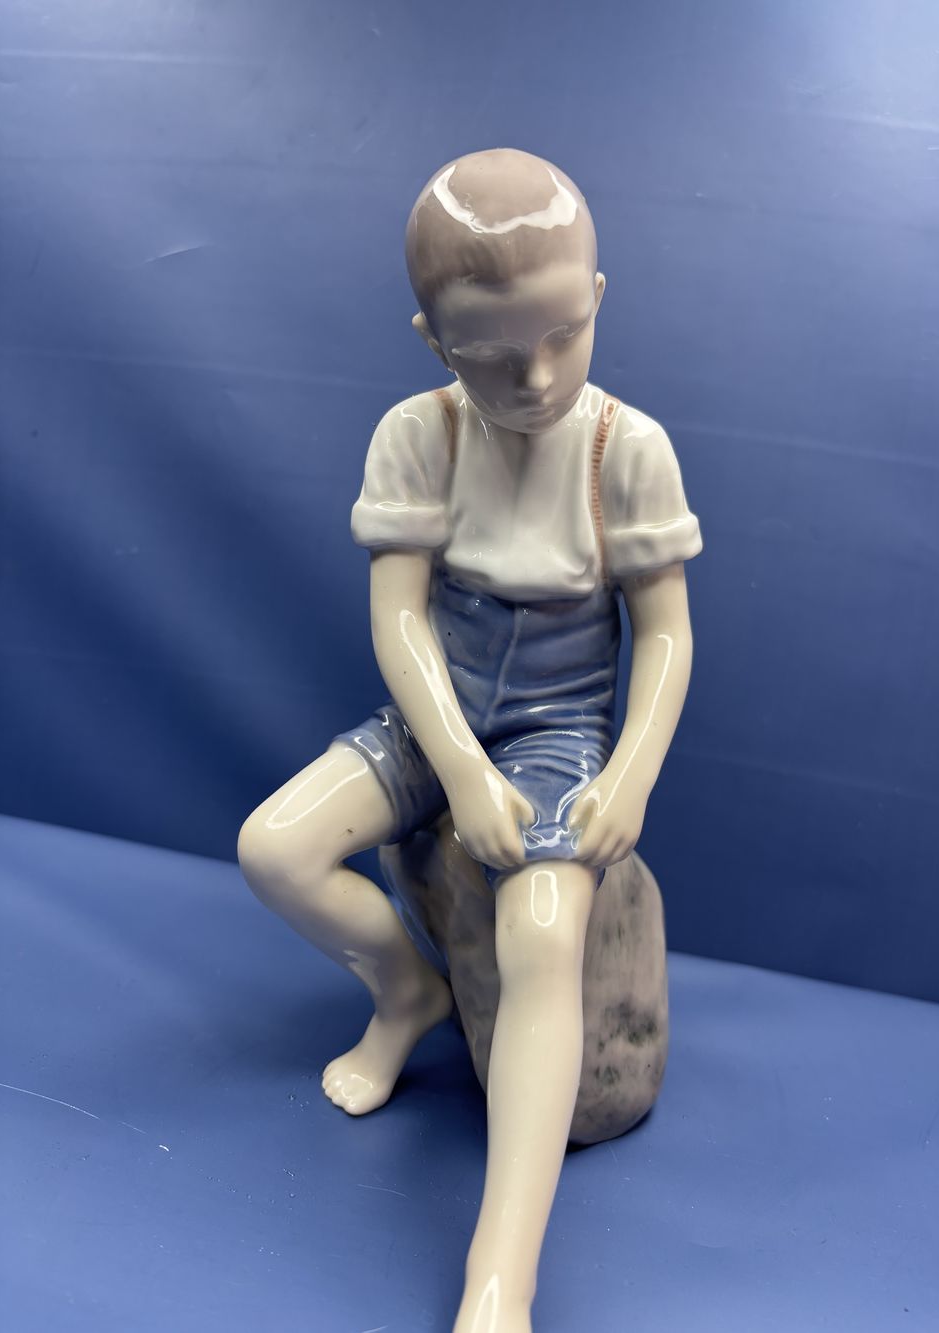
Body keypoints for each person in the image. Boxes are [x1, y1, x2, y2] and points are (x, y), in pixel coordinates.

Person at [238, 147, 702, 1333]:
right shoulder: (420, 435)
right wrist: (455, 767)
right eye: (490, 352)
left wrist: (629, 773)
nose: (534, 377)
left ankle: (502, 1273)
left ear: (597, 297)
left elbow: (663, 635)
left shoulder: (626, 450)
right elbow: (399, 619)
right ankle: (407, 990)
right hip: (436, 717)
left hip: (555, 734)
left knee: (542, 933)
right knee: (275, 848)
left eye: (562, 334)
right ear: (432, 338)